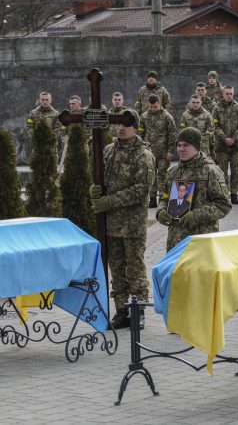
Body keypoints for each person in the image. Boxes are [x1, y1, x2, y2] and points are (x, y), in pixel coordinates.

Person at [89, 109, 155, 329]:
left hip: (132, 223)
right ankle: (121, 311)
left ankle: (138, 312)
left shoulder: (143, 154)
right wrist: (97, 191)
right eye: (118, 124)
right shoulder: (109, 151)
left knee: (134, 267)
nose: (120, 128)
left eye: (125, 124)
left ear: (135, 127)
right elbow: (101, 178)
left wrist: (110, 201)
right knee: (116, 268)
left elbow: (141, 190)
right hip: (111, 223)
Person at [156, 127, 232, 251]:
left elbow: (224, 205)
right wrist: (160, 211)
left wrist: (197, 215)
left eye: (186, 145)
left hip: (201, 241)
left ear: (197, 147)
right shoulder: (172, 172)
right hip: (175, 242)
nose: (181, 149)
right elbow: (164, 198)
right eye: (179, 145)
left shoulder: (210, 171)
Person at [139, 95, 177, 208]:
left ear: (159, 104)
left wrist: (170, 151)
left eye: (155, 106)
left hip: (163, 152)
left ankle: (162, 198)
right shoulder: (144, 116)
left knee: (162, 175)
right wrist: (142, 149)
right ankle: (152, 198)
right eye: (151, 106)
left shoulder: (166, 116)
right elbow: (140, 133)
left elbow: (172, 134)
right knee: (150, 175)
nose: (153, 108)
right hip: (149, 152)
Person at [213, 85, 238, 205]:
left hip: (235, 145)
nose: (229, 96)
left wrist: (234, 138)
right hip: (221, 146)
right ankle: (224, 195)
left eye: (231, 94)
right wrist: (224, 138)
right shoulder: (217, 108)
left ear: (233, 94)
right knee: (222, 172)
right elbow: (215, 126)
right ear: (223, 94)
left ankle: (234, 194)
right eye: (227, 93)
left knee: (235, 171)